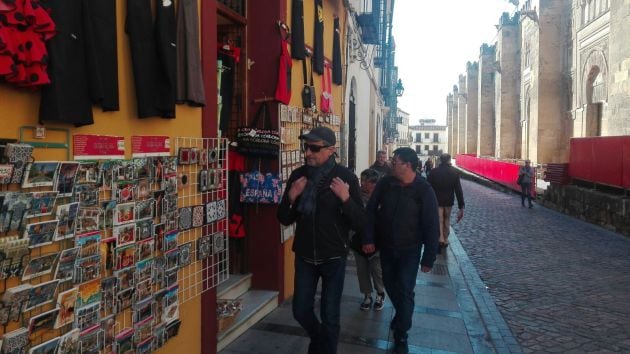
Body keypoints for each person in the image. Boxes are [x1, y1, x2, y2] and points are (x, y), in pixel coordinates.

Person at [277, 126, 365, 354]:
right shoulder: (299, 176)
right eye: (306, 147)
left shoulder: (345, 178)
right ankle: (319, 341)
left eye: (314, 148)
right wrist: (291, 197)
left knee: (330, 314)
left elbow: (360, 222)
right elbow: (284, 218)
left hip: (333, 255)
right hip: (305, 255)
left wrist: (345, 199)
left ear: (331, 150)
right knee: (300, 311)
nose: (308, 153)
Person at [362, 147, 439, 354]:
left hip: (410, 251)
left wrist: (429, 258)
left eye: (395, 161)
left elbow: (432, 225)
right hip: (386, 247)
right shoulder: (386, 183)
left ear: (408, 165)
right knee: (390, 286)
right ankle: (402, 315)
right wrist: (368, 237)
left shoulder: (424, 190)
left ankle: (402, 334)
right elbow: (370, 211)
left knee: (405, 290)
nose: (391, 163)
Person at [349, 169, 385, 311]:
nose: (362, 184)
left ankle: (380, 293)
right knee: (362, 271)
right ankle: (367, 296)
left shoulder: (382, 199)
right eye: (361, 180)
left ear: (374, 184)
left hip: (377, 242)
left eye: (366, 181)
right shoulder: (355, 197)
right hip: (358, 240)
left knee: (377, 270)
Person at [427, 153, 465, 249]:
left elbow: (428, 188)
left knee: (439, 220)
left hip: (437, 200)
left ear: (440, 160)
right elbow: (458, 190)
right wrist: (461, 206)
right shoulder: (455, 172)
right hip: (448, 201)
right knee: (447, 219)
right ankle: (446, 239)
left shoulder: (433, 172)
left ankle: (440, 238)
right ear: (449, 160)